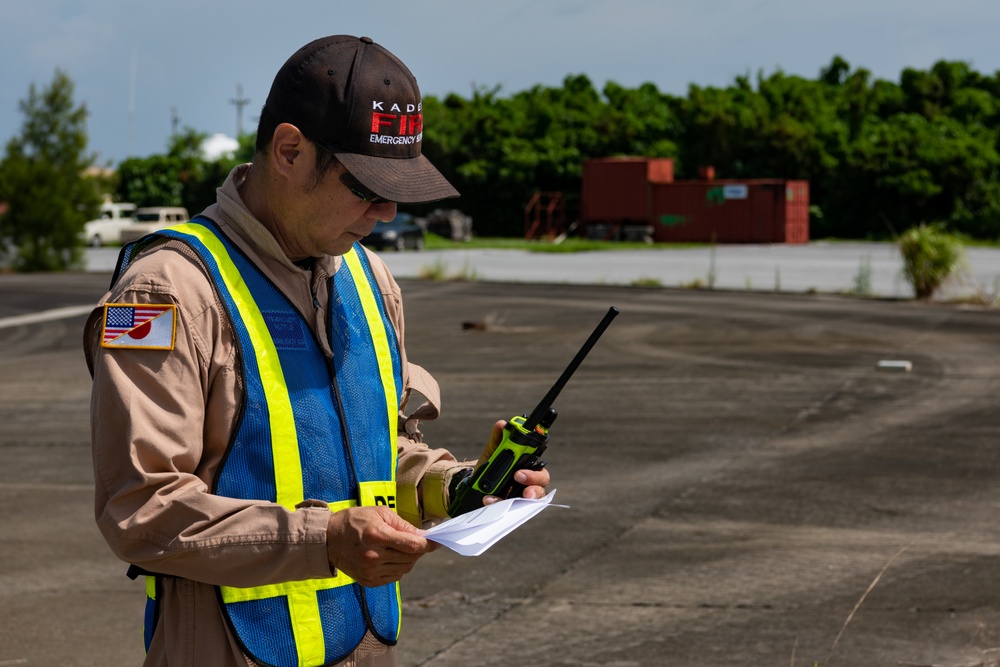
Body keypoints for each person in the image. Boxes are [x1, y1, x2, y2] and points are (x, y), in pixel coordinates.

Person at [83, 34, 549, 667]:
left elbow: (379, 452)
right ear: (290, 150)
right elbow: (140, 510)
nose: (386, 212)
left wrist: (459, 488)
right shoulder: (167, 294)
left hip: (363, 646)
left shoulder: (369, 280)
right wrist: (325, 538)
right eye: (365, 186)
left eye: (398, 190)